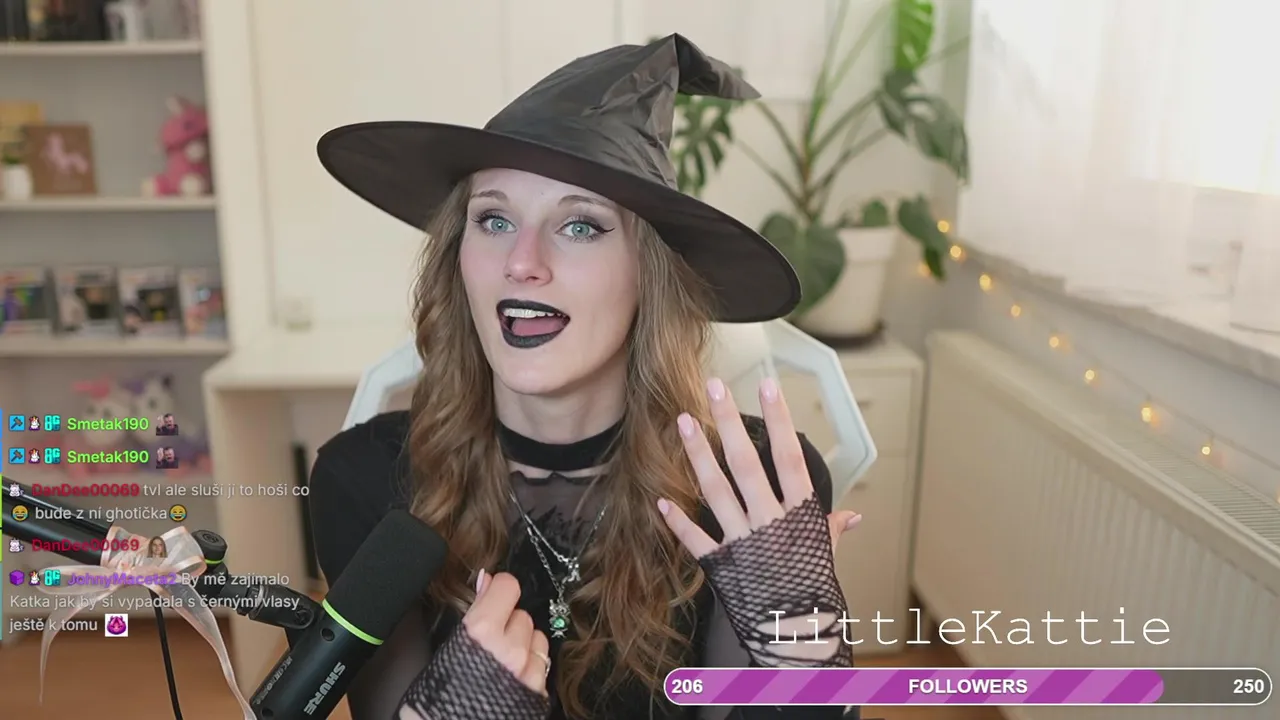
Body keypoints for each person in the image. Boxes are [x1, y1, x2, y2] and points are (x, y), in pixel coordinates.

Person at [308, 34, 862, 720]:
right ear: (458, 257)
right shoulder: (362, 482)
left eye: (579, 226)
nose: (522, 262)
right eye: (494, 219)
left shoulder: (755, 491)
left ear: (649, 275)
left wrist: (803, 665)